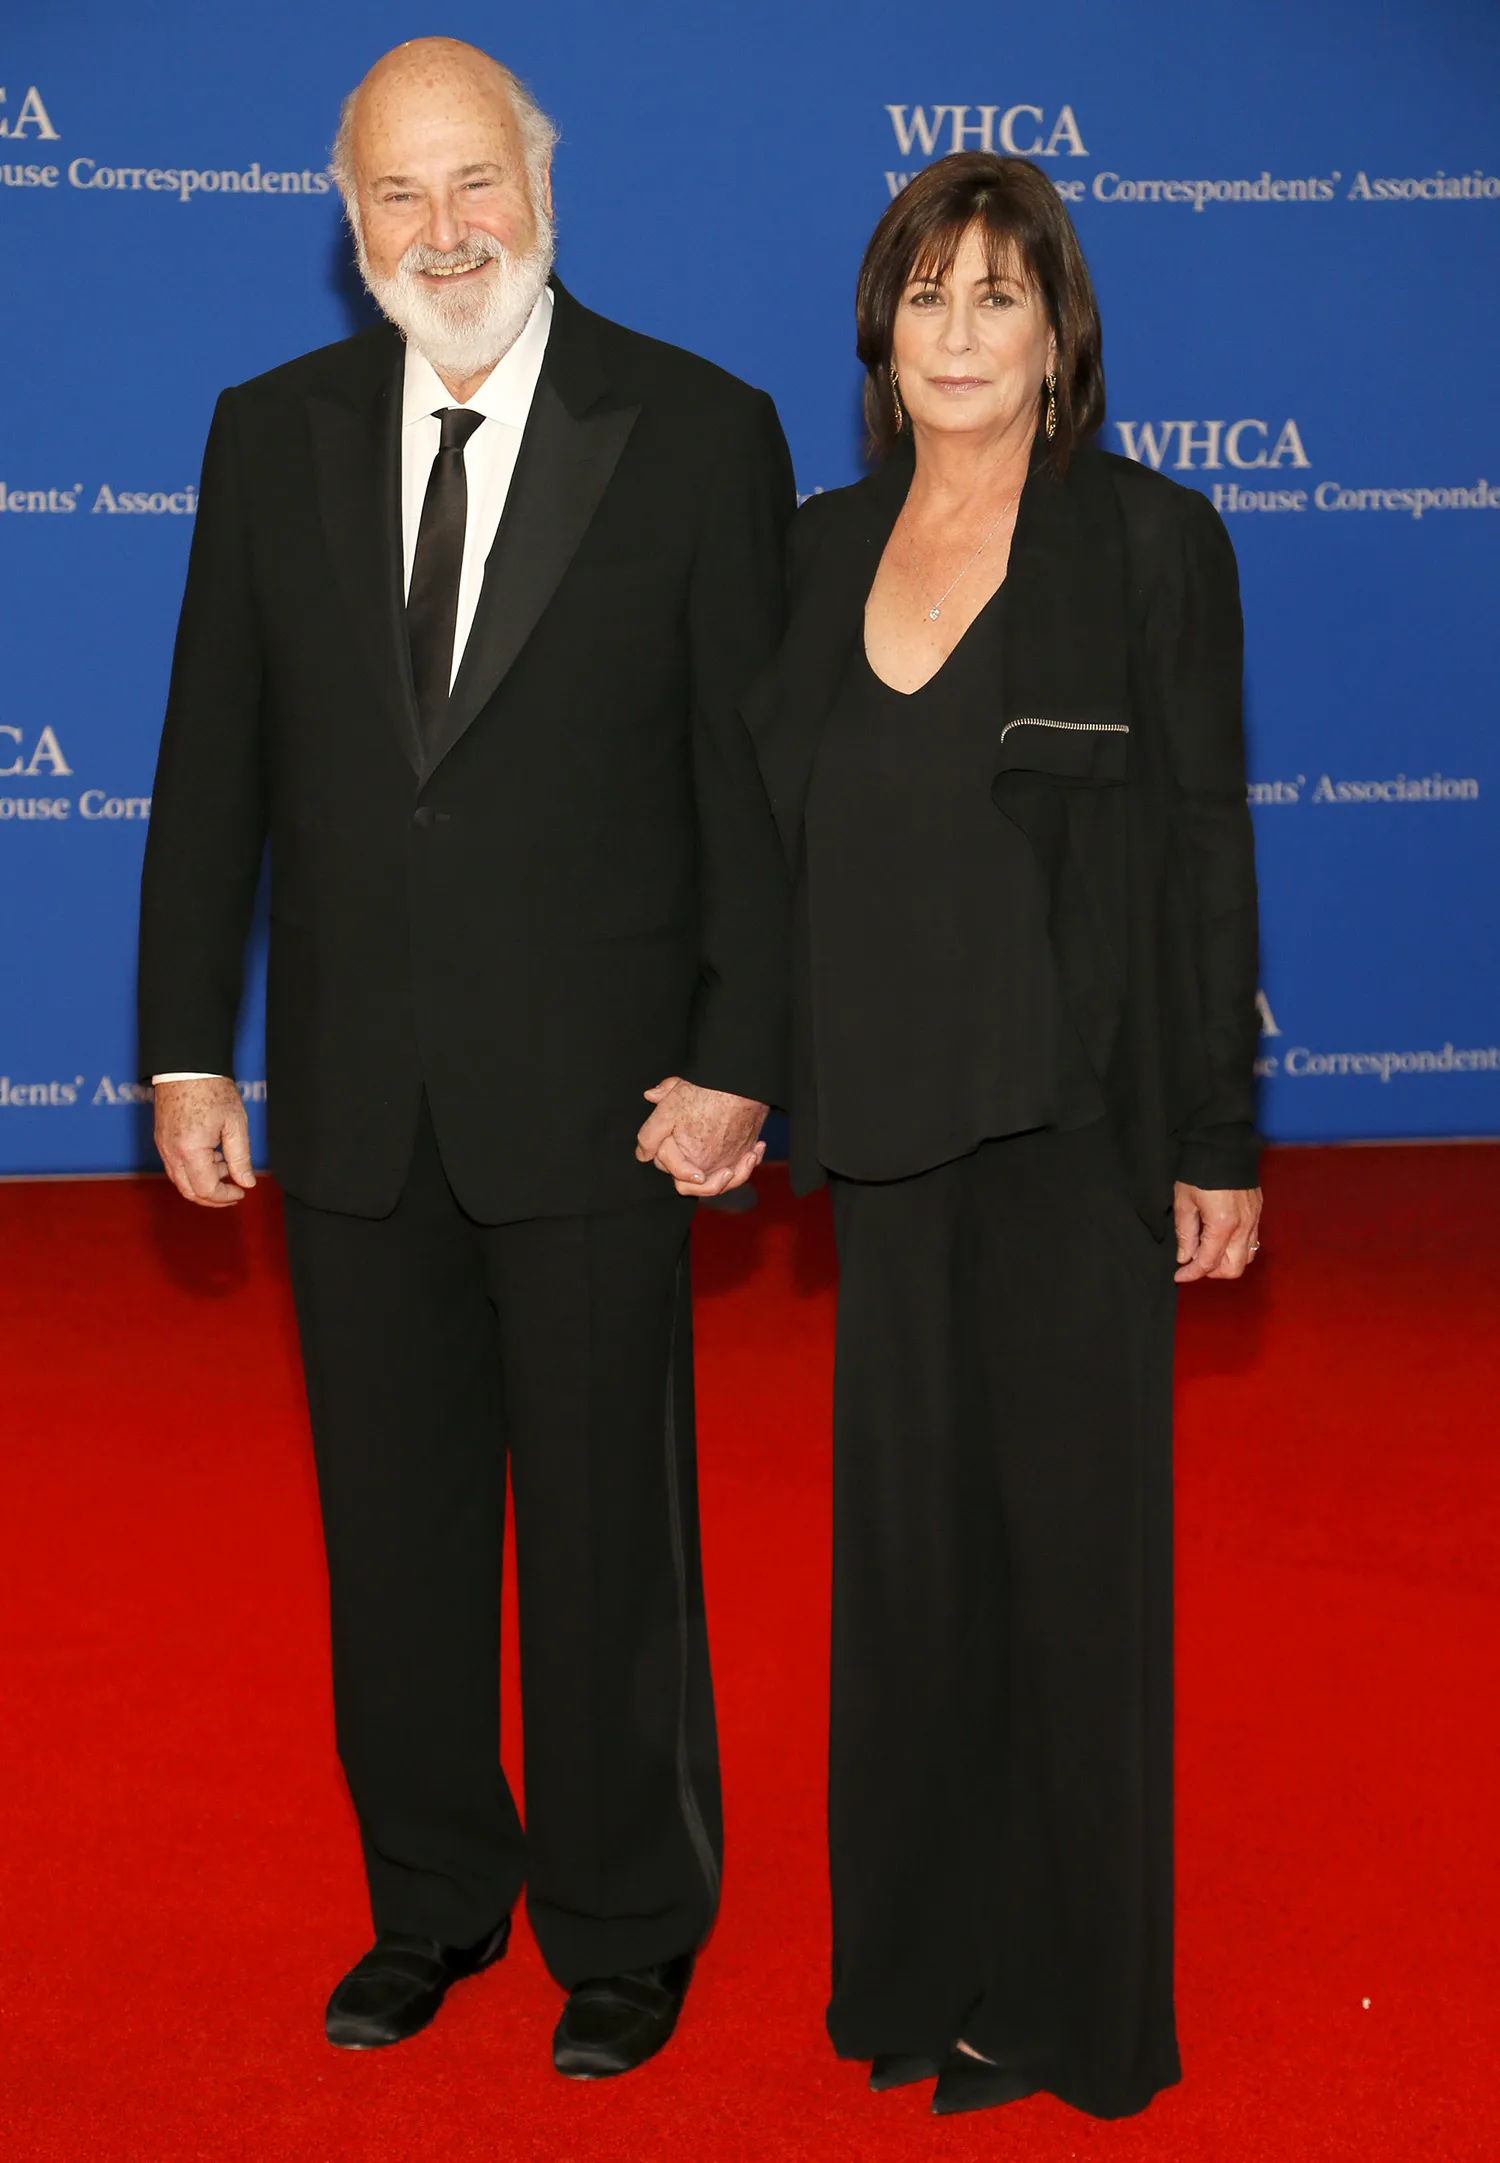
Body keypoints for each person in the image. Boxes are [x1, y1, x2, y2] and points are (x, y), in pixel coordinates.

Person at [138, 37, 794, 2079]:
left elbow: (752, 797)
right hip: (352, 1100)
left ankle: (625, 1917)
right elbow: (209, 761)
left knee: (610, 1537)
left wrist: (741, 1057)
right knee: (394, 1539)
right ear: (351, 231)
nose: (445, 229)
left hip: (608, 1099)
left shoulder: (696, 431)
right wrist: (183, 1046)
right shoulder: (270, 433)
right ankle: (432, 1896)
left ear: (542, 181)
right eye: (396, 196)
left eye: (472, 180)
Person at [741, 152, 1263, 2119]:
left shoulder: (1150, 545)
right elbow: (759, 850)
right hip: (886, 1138)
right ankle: (923, 1963)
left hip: (1077, 1130)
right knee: (912, 1579)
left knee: (1074, 1579)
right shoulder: (809, 553)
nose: (960, 332)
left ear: (1061, 337)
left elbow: (1205, 842)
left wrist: (1217, 1132)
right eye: (928, 296)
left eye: (1000, 297)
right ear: (882, 332)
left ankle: (1068, 2000)